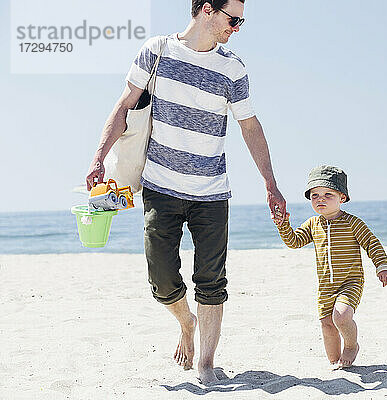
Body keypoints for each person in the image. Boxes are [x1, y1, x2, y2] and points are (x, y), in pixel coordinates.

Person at [85, 0, 286, 384]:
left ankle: (206, 365)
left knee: (212, 281)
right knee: (161, 280)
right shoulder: (157, 50)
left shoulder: (233, 67)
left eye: (241, 20)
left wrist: (271, 183)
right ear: (207, 10)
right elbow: (125, 105)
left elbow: (249, 126)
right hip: (161, 188)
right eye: (234, 18)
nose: (238, 26)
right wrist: (98, 158)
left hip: (212, 192)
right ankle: (185, 322)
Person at [272, 165, 387, 368]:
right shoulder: (312, 224)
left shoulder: (353, 223)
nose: (320, 199)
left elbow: (372, 244)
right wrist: (282, 224)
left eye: (328, 194)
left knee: (342, 316)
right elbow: (294, 241)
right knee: (327, 324)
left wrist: (382, 266)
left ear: (342, 198)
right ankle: (335, 363)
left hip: (350, 282)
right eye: (315, 195)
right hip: (325, 286)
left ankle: (351, 345)